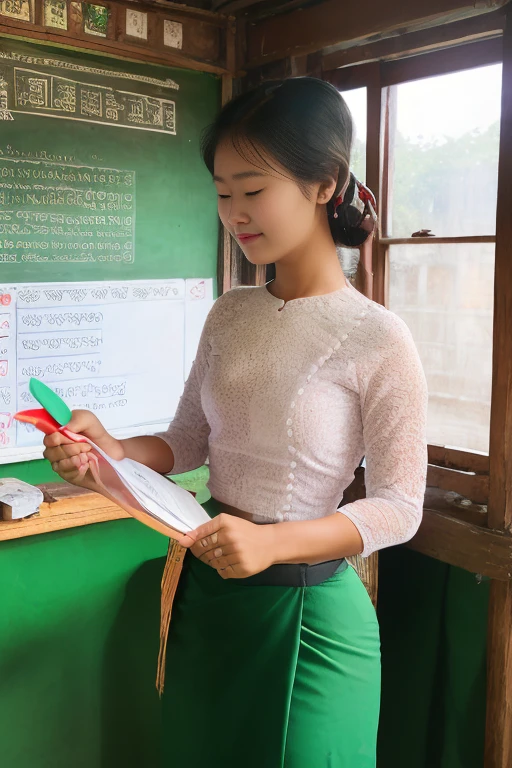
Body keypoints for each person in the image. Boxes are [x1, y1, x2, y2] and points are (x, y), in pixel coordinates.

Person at [43, 77, 428, 768]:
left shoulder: (378, 337)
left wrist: (274, 545)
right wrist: (108, 448)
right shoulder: (231, 312)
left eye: (254, 190)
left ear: (323, 184)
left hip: (308, 618)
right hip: (208, 598)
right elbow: (187, 440)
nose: (235, 213)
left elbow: (400, 508)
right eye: (223, 192)